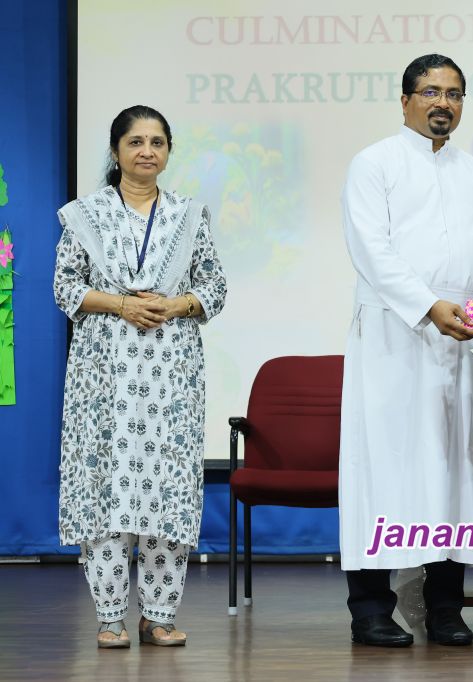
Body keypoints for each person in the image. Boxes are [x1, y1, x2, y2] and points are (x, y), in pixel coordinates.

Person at [339, 54, 473, 648]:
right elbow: (372, 251)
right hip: (396, 333)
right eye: (431, 92)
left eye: (454, 94)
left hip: (467, 331)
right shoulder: (374, 163)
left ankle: (445, 607)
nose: (443, 103)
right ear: (405, 100)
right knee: (384, 468)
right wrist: (429, 305)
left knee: (456, 470)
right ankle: (370, 608)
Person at [54, 105, 227, 648]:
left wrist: (174, 305)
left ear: (168, 152)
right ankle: (110, 617)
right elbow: (65, 287)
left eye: (157, 142)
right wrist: (121, 305)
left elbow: (215, 288)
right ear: (116, 151)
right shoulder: (85, 215)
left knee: (167, 488)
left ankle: (160, 615)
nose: (147, 151)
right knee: (105, 487)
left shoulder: (189, 215)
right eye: (135, 142)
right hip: (102, 376)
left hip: (171, 375)